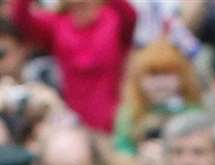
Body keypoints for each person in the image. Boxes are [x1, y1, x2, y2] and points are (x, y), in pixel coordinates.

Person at [10, 0, 137, 133]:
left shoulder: (115, 19)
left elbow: (131, 14)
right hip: (73, 121)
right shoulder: (57, 24)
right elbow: (21, 18)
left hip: (114, 120)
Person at [112, 36, 204, 155]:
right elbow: (122, 152)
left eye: (167, 74)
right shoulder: (129, 113)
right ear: (139, 80)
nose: (160, 83)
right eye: (153, 75)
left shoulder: (193, 111)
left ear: (182, 77)